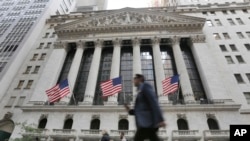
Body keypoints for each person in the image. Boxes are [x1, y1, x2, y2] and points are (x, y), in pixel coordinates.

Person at [124, 74, 166, 141]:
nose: (133, 81)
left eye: (135, 79)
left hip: (147, 123)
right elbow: (140, 109)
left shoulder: (145, 87)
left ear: (140, 79)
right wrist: (129, 110)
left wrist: (160, 119)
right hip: (145, 124)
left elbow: (154, 102)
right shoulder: (140, 90)